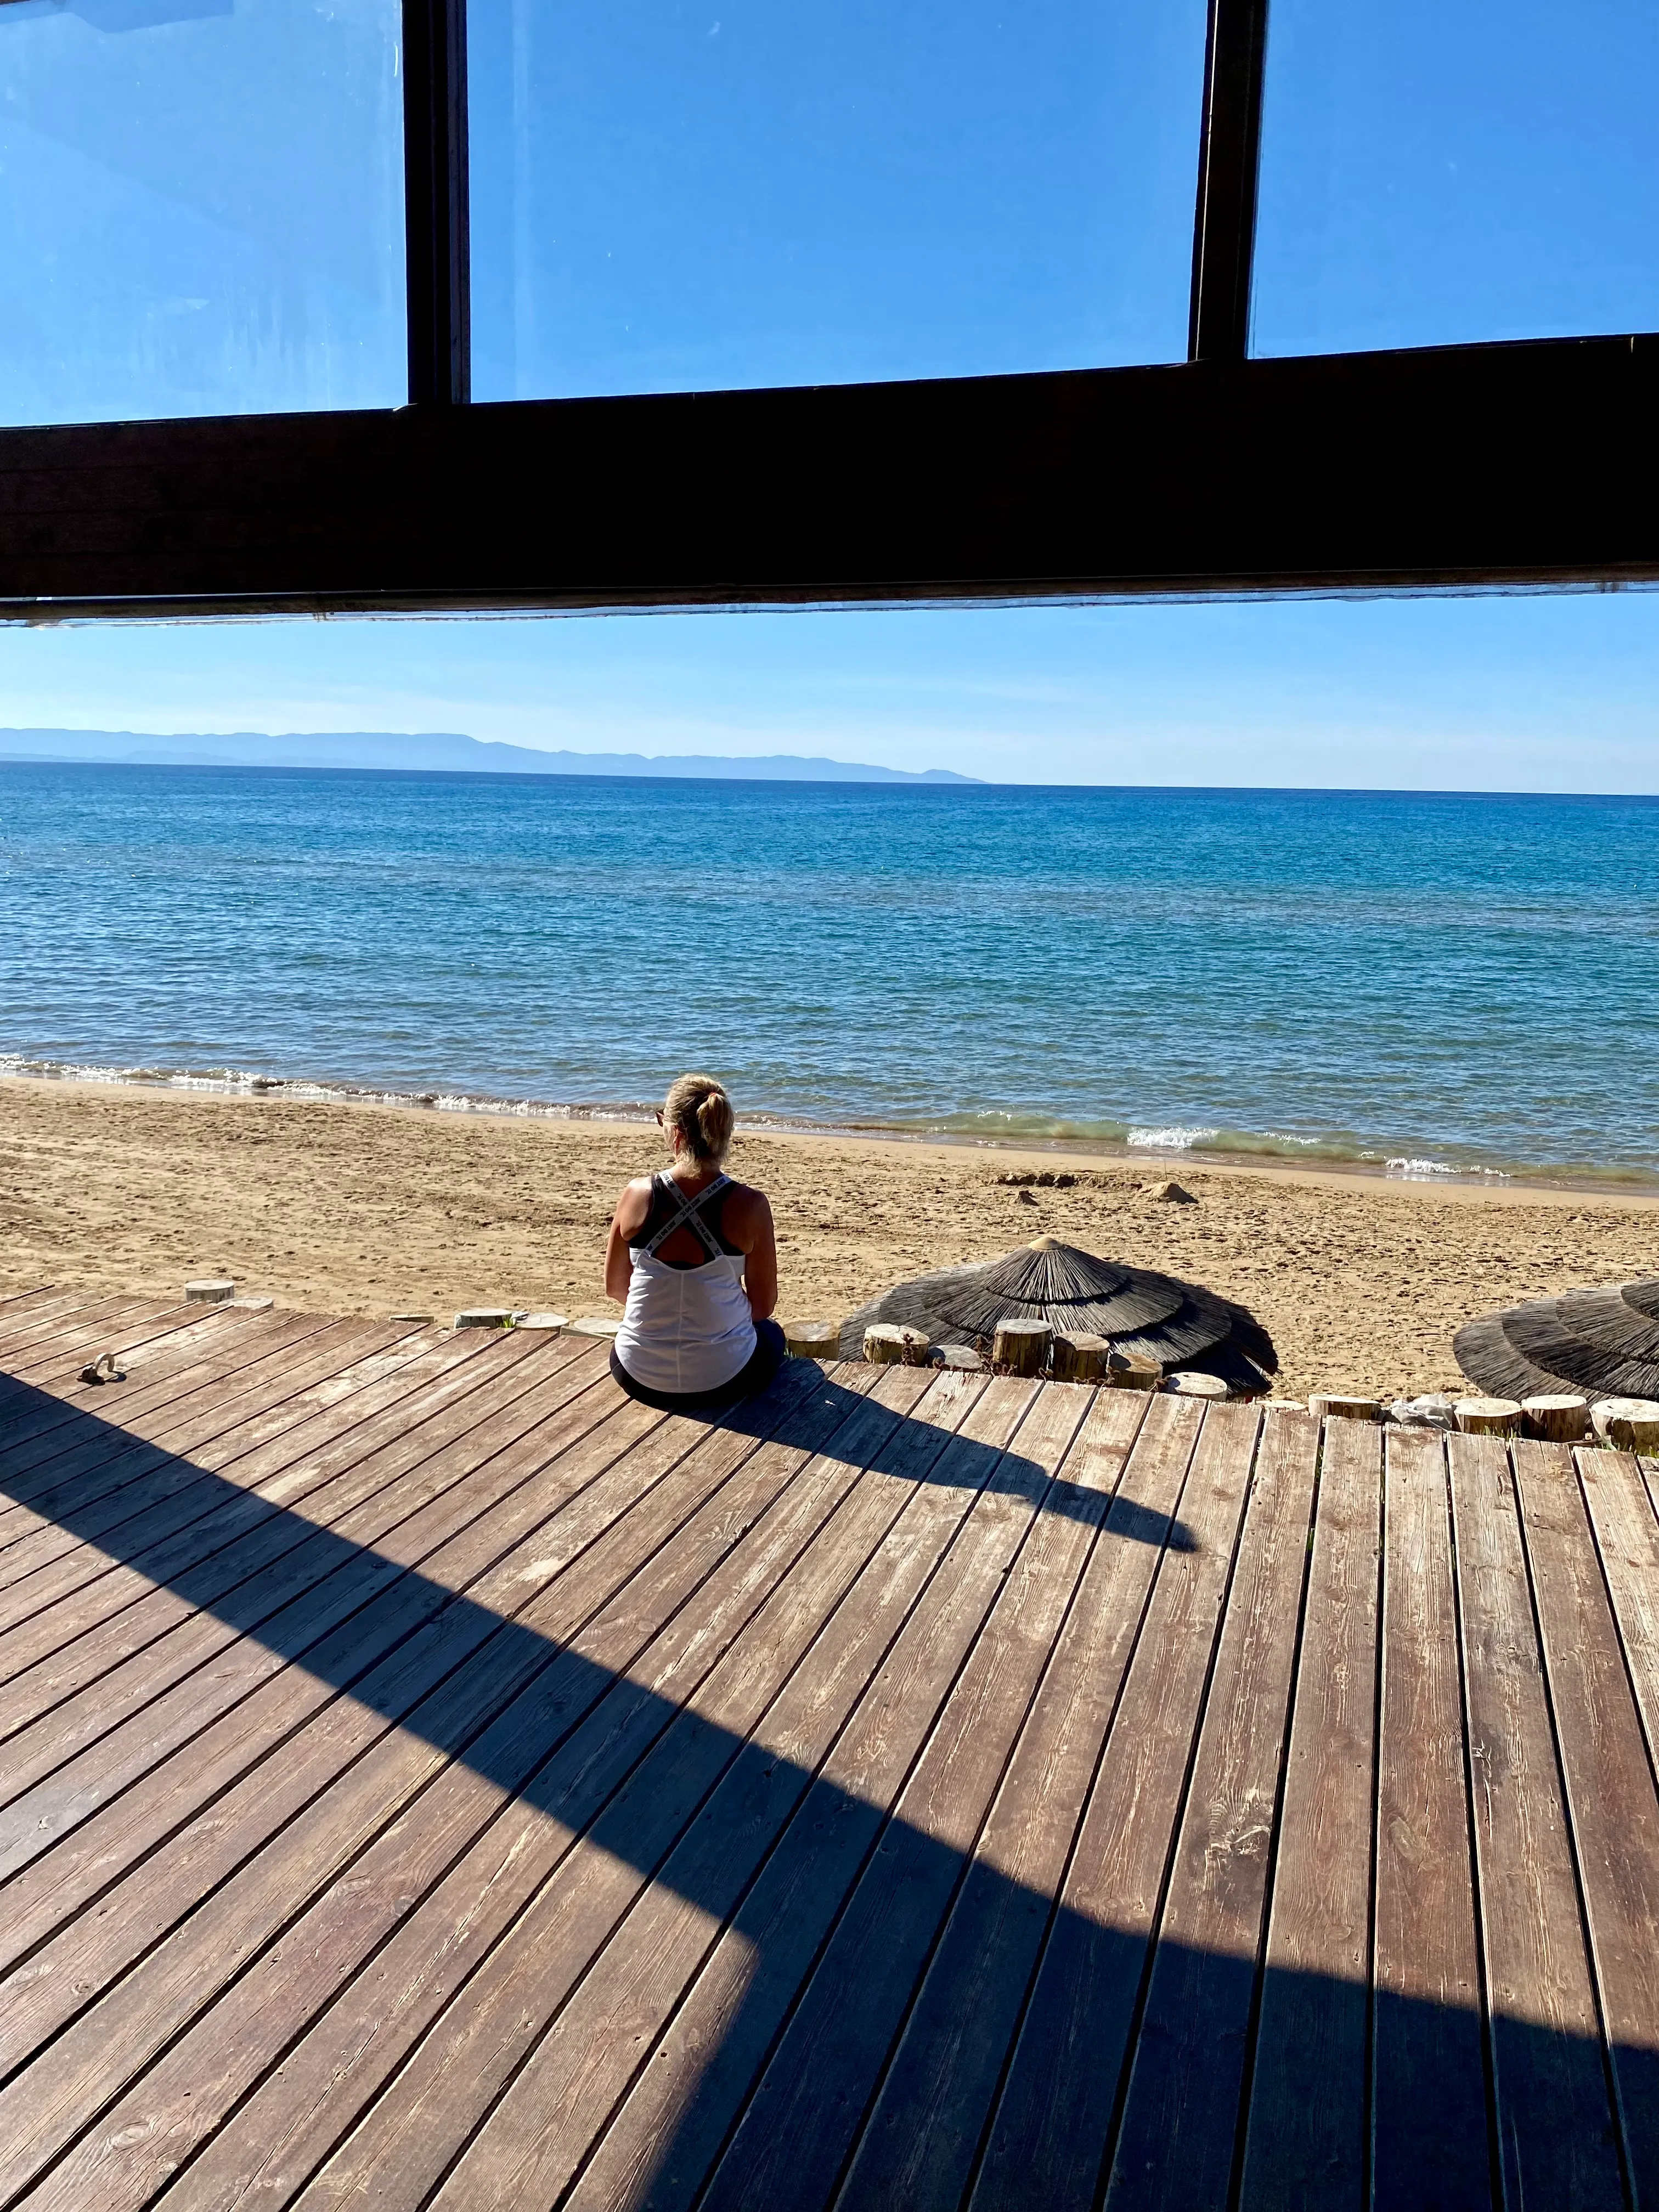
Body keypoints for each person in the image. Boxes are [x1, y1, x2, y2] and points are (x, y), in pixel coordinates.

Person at [606, 1073, 785, 1411]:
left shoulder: (636, 1195)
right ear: (725, 1130)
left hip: (637, 1375)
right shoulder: (750, 1205)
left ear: (671, 1128)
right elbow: (761, 1309)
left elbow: (617, 1288)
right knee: (773, 1335)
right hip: (723, 1379)